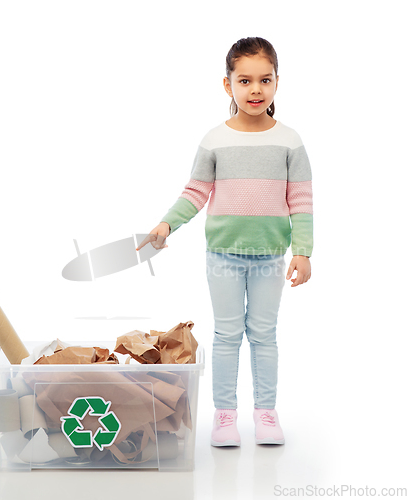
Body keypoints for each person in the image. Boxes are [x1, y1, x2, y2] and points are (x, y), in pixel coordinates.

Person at [136, 37, 313, 447]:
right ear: (227, 84)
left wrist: (302, 251)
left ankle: (266, 414)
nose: (255, 90)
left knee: (264, 334)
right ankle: (224, 416)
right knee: (228, 335)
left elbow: (301, 200)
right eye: (245, 80)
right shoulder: (215, 140)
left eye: (264, 80)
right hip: (223, 257)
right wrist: (167, 224)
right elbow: (196, 191)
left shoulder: (290, 141)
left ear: (276, 83)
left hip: (270, 256)